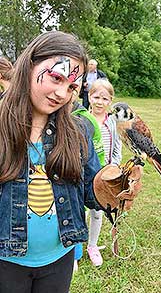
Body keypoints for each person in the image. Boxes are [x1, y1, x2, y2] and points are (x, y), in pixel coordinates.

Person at [0, 30, 101, 293]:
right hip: (5, 262)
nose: (61, 93)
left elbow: (92, 191)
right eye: (56, 77)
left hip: (59, 259)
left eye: (71, 87)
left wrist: (114, 187)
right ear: (30, 64)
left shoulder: (78, 131)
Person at [87, 78, 122, 266]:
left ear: (110, 101)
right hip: (83, 174)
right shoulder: (82, 118)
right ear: (89, 96)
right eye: (96, 97)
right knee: (78, 211)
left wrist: (113, 170)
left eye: (105, 98)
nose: (100, 102)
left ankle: (92, 246)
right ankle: (74, 249)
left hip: (103, 177)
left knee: (97, 212)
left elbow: (117, 149)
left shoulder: (113, 123)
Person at [71, 91, 105, 271]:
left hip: (94, 175)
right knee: (76, 211)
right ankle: (74, 254)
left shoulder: (85, 121)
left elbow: (95, 157)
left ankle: (90, 246)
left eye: (71, 88)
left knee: (93, 211)